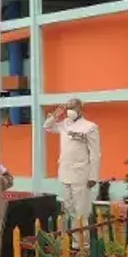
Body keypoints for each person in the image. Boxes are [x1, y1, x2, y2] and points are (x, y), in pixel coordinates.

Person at [43, 98, 101, 248]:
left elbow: (95, 154)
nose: (70, 110)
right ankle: (72, 243)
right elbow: (47, 127)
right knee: (69, 209)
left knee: (81, 211)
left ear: (80, 108)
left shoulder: (90, 127)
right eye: (68, 107)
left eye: (73, 107)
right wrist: (55, 115)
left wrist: (93, 176)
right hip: (65, 173)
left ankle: (83, 245)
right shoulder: (64, 125)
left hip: (81, 174)